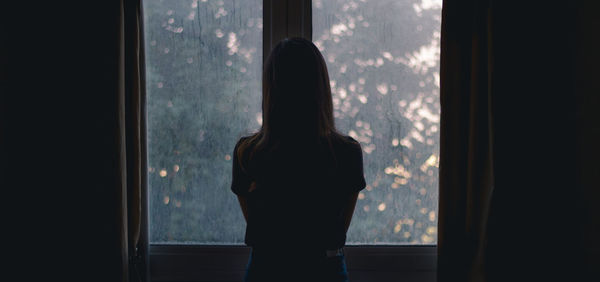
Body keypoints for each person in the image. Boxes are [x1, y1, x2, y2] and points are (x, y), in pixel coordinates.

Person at [230, 37, 366, 282]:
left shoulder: (248, 153)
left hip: (267, 268)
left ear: (272, 87)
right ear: (320, 86)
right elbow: (337, 228)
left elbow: (258, 226)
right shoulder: (346, 152)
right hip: (325, 269)